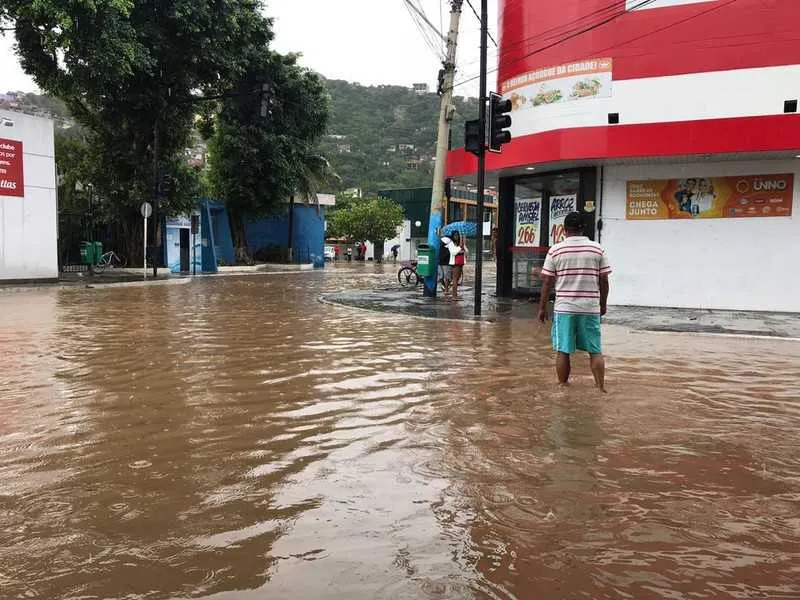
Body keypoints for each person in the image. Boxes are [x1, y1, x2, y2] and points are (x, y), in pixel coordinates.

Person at [537, 212, 611, 391]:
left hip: (564, 309)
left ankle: (563, 388)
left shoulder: (555, 250)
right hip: (590, 307)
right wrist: (602, 305)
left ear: (564, 229)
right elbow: (604, 281)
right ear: (583, 228)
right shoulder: (597, 249)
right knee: (595, 350)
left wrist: (542, 308)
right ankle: (600, 389)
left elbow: (547, 282)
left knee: (563, 350)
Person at [447, 231, 466, 300]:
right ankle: (454, 296)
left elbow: (466, 251)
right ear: (452, 236)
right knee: (455, 280)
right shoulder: (451, 244)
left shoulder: (460, 243)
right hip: (455, 263)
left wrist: (463, 246)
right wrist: (459, 248)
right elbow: (453, 252)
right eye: (455, 235)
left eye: (458, 235)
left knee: (457, 280)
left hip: (461, 263)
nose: (456, 237)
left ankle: (455, 294)